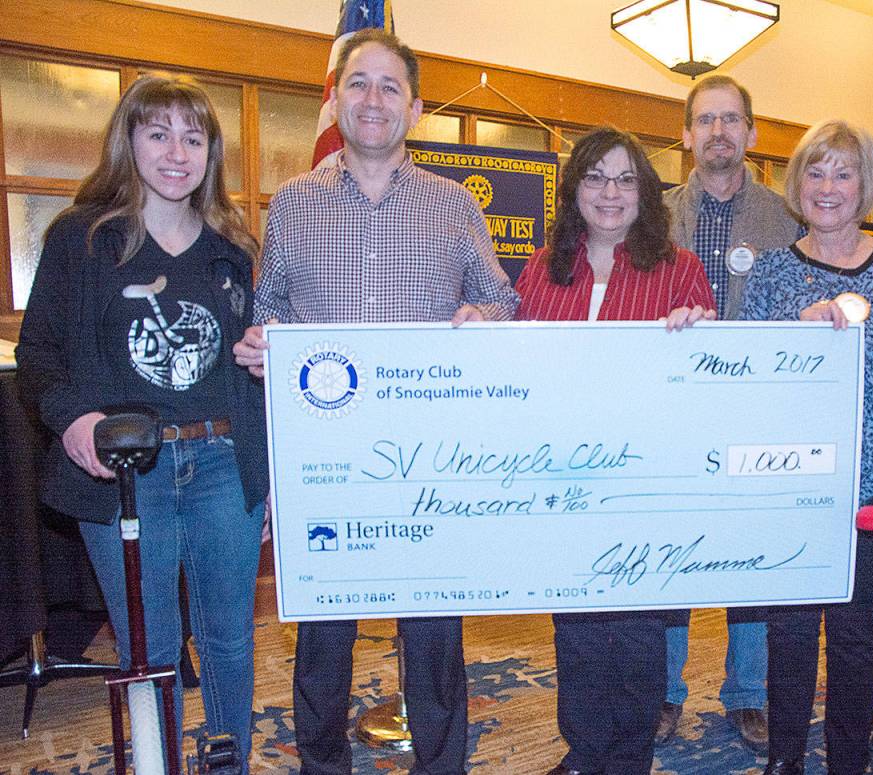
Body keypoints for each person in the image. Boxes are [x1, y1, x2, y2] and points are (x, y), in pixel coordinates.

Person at [231, 28, 518, 775]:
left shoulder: (454, 204)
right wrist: (262, 342)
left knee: (433, 629)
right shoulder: (292, 203)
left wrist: (484, 317)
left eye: (391, 86)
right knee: (324, 629)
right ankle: (322, 763)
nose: (373, 99)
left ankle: (441, 763)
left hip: (428, 452)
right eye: (358, 82)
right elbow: (270, 309)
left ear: (415, 109)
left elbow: (503, 298)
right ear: (335, 98)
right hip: (323, 450)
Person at [16, 75, 269, 769]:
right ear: (127, 141)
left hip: (222, 465)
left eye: (193, 137)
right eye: (159, 134)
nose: (177, 153)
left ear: (212, 152)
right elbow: (37, 355)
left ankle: (230, 764)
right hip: (129, 474)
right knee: (149, 648)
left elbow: (251, 376)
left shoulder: (234, 249)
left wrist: (265, 470)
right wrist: (73, 418)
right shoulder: (81, 240)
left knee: (229, 641)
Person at [741, 118, 873, 775]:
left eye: (843, 172)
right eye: (815, 171)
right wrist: (792, 330)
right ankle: (783, 760)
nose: (827, 186)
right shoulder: (772, 273)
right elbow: (743, 375)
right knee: (790, 632)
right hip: (791, 479)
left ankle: (849, 764)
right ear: (796, 183)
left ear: (865, 185)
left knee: (855, 633)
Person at [516, 126, 715, 775]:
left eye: (626, 179)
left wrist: (699, 334)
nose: (610, 192)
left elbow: (707, 382)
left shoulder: (681, 270)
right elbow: (515, 375)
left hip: (643, 489)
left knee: (635, 633)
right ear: (574, 188)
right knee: (575, 627)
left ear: (644, 193)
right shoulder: (541, 269)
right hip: (561, 481)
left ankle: (629, 758)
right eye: (596, 177)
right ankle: (584, 750)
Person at [657, 74, 801, 752]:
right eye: (705, 120)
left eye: (731, 119)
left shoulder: (786, 217)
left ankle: (747, 693)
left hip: (755, 413)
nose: (718, 131)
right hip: (671, 412)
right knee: (669, 552)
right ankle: (663, 691)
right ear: (686, 135)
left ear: (751, 131)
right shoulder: (651, 214)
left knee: (751, 555)